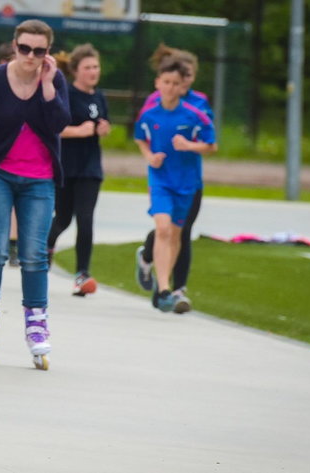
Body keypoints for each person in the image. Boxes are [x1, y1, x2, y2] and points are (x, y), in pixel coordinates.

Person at [0, 19, 70, 370]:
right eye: (25, 48)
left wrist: (49, 86)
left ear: (47, 52)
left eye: (39, 51)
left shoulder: (54, 80)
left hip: (40, 180)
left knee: (35, 253)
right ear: (15, 46)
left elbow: (59, 124)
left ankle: (37, 325)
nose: (31, 56)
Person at [134, 44, 214, 313]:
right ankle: (166, 288)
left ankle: (169, 288)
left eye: (184, 78)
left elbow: (210, 140)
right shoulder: (151, 108)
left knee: (179, 233)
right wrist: (149, 156)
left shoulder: (198, 106)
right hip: (161, 179)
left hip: (189, 180)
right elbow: (141, 135)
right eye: (166, 81)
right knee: (163, 229)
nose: (173, 86)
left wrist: (190, 145)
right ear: (159, 82)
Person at [46, 43, 111, 296]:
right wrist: (78, 131)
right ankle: (45, 251)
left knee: (85, 219)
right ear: (75, 70)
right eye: (87, 67)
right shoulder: (66, 95)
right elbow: (54, 128)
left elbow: (101, 124)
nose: (93, 71)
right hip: (66, 167)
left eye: (96, 66)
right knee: (62, 218)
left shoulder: (100, 97)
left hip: (90, 169)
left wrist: (102, 129)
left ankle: (82, 274)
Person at [0, 41, 21, 267]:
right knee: (3, 202)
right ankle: (5, 243)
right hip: (0, 154)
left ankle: (13, 245)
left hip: (20, 154)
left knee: (16, 203)